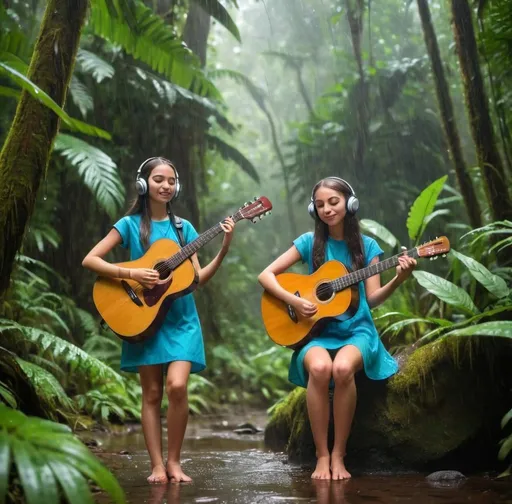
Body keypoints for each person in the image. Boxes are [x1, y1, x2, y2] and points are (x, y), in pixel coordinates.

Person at [82, 157, 235, 484]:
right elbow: (90, 259)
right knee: (151, 394)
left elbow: (197, 278)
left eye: (171, 181)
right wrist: (133, 272)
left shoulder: (184, 230)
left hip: (181, 320)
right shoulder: (128, 225)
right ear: (143, 184)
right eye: (158, 180)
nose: (165, 186)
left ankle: (175, 463)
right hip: (142, 315)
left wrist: (223, 248)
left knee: (177, 386)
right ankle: (156, 466)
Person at [258, 177, 417, 480]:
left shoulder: (367, 246)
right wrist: (295, 300)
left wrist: (398, 279)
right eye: (320, 205)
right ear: (313, 209)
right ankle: (321, 456)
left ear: (350, 203)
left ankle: (339, 455)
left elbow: (372, 298)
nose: (327, 209)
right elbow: (266, 276)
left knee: (343, 369)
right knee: (319, 368)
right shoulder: (309, 243)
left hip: (358, 330)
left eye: (334, 202)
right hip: (317, 331)